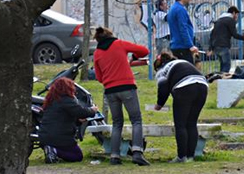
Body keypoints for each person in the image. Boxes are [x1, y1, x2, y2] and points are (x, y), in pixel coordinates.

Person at [93, 27, 150, 166]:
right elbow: (145, 51)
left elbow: (99, 77)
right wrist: (134, 57)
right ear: (110, 35)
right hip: (127, 87)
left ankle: (114, 156)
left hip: (110, 91)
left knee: (117, 123)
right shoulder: (119, 44)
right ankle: (137, 152)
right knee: (136, 119)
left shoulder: (97, 53)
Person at [154, 52, 208, 163]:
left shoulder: (162, 69)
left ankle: (181, 157)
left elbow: (163, 87)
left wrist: (159, 104)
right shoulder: (182, 62)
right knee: (192, 123)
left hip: (184, 87)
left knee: (181, 125)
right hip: (202, 86)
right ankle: (190, 156)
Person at [39, 77, 98, 164]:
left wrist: (78, 121)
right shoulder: (66, 100)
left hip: (44, 136)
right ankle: (54, 151)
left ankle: (51, 151)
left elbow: (62, 118)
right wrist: (92, 110)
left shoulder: (50, 101)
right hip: (60, 137)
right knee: (77, 156)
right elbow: (81, 111)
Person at [207, 6, 244, 73]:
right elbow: (234, 34)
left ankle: (221, 80)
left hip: (216, 46)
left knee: (222, 65)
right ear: (234, 13)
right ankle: (223, 80)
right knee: (226, 66)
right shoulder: (230, 20)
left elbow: (212, 35)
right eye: (237, 15)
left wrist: (210, 48)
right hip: (223, 46)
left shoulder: (219, 20)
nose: (237, 17)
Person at [167, 0, 198, 64]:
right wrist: (190, 45)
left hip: (177, 45)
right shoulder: (180, 10)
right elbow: (183, 28)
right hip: (182, 46)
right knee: (188, 71)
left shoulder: (174, 8)